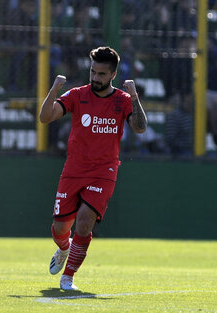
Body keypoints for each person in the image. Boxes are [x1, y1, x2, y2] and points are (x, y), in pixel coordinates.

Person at [39, 46, 147, 291]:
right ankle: (64, 248)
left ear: (113, 75)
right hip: (74, 169)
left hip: (104, 171)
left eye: (101, 74)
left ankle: (68, 278)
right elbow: (45, 118)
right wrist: (54, 90)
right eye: (93, 72)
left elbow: (139, 128)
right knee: (59, 229)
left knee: (85, 221)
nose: (95, 78)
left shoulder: (122, 100)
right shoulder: (77, 95)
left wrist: (135, 97)